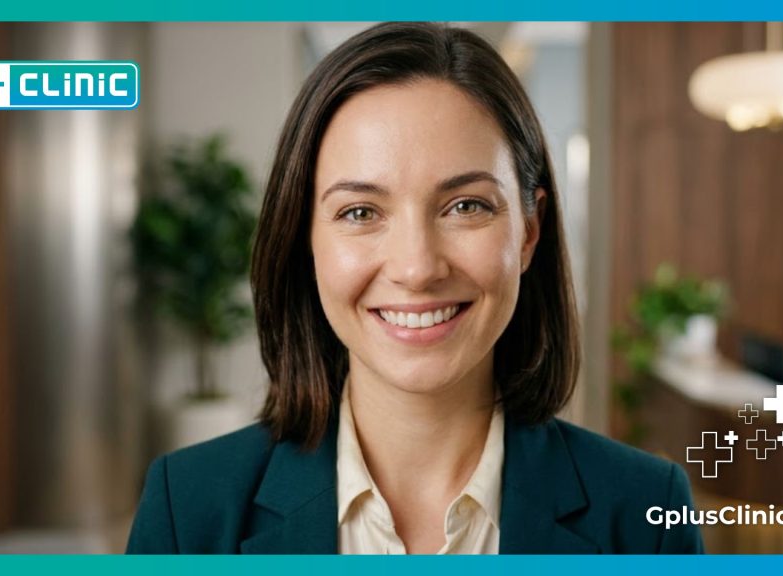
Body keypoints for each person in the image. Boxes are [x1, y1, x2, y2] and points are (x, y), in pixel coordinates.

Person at [126, 21, 704, 555]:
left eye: (466, 205)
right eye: (358, 212)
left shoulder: (647, 512)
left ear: (529, 231)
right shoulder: (188, 510)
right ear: (305, 239)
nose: (416, 267)